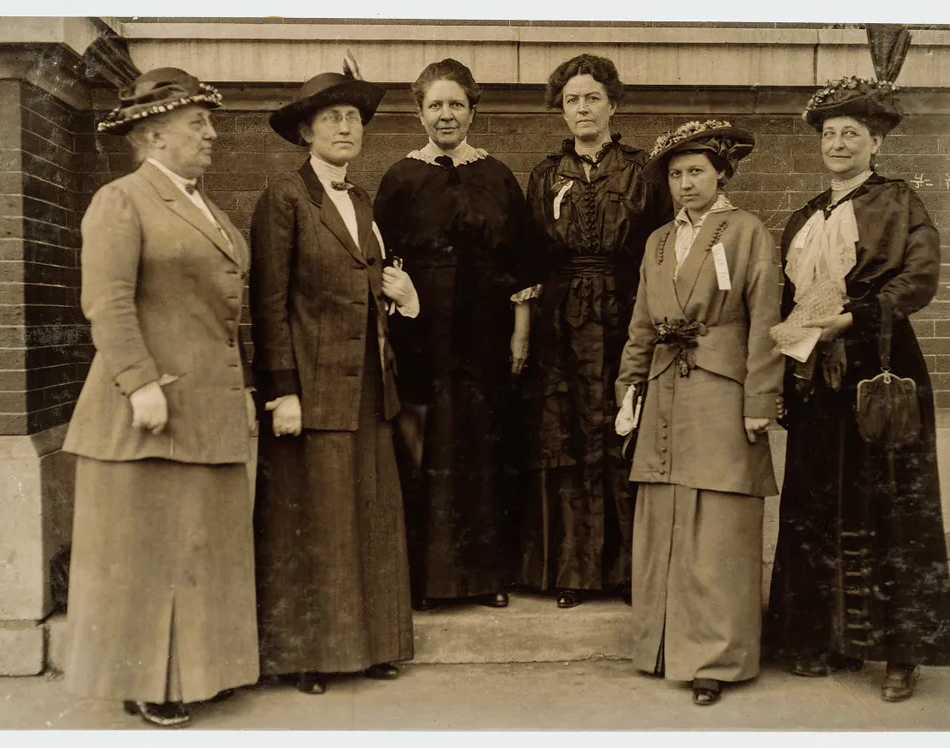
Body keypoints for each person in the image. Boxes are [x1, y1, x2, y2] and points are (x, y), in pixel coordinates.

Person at [763, 28, 950, 703]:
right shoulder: (803, 218)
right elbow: (794, 300)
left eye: (852, 133)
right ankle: (822, 639)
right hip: (817, 376)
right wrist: (790, 343)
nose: (839, 143)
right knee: (817, 501)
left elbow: (920, 280)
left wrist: (858, 317)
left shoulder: (899, 201)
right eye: (830, 134)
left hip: (881, 371)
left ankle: (900, 654)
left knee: (890, 507)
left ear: (876, 142)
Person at [61, 68, 259, 727]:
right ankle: (148, 682)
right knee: (148, 554)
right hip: (152, 411)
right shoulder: (123, 200)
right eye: (197, 123)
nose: (212, 135)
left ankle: (199, 673)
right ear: (153, 136)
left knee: (199, 549)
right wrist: (139, 382)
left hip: (207, 407)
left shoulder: (207, 206)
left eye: (210, 121)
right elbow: (107, 300)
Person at [248, 54, 421, 696]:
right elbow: (268, 303)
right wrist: (282, 390)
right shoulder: (284, 199)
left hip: (369, 388)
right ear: (306, 132)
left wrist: (399, 294)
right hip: (312, 391)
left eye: (354, 117)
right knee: (316, 519)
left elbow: (363, 281)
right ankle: (309, 656)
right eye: (333, 118)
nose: (347, 127)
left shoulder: (364, 199)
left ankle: (374, 645)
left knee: (371, 513)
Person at [614, 120, 782, 706]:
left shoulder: (746, 231)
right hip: (664, 388)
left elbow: (765, 316)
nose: (686, 183)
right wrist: (629, 385)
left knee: (717, 523)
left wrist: (760, 400)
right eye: (677, 174)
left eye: (697, 172)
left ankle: (716, 659)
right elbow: (641, 320)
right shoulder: (659, 240)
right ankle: (661, 646)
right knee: (664, 516)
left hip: (722, 390)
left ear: (721, 175)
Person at [374, 59, 535, 611]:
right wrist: (400, 309)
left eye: (456, 105)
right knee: (425, 449)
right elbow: (382, 258)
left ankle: (487, 576)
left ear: (472, 111)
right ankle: (427, 580)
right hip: (422, 332)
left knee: (485, 447)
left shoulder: (498, 175)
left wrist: (519, 331)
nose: (446, 115)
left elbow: (520, 262)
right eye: (436, 105)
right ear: (420, 112)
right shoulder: (401, 178)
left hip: (486, 336)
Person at [518, 54, 672, 609]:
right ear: (561, 111)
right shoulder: (543, 174)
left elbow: (661, 247)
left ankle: (631, 570)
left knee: (622, 426)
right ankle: (573, 572)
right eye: (571, 101)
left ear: (612, 104)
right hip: (559, 318)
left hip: (625, 309)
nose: (582, 109)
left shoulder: (644, 170)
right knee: (566, 433)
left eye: (592, 98)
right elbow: (531, 256)